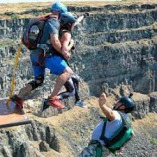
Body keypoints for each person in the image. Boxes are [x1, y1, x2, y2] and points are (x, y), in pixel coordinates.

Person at [11, 2, 74, 109]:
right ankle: (52, 98)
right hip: (45, 56)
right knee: (67, 72)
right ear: (60, 13)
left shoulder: (43, 20)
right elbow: (55, 41)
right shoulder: (53, 21)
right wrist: (64, 52)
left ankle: (19, 96)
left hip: (35, 55)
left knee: (38, 80)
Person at [42, 12, 86, 111]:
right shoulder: (67, 34)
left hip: (49, 57)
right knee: (70, 84)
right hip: (54, 59)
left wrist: (83, 16)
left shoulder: (58, 29)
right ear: (69, 24)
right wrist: (71, 43)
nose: (74, 26)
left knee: (75, 79)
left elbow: (76, 22)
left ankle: (77, 100)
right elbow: (65, 51)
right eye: (73, 24)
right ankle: (52, 99)